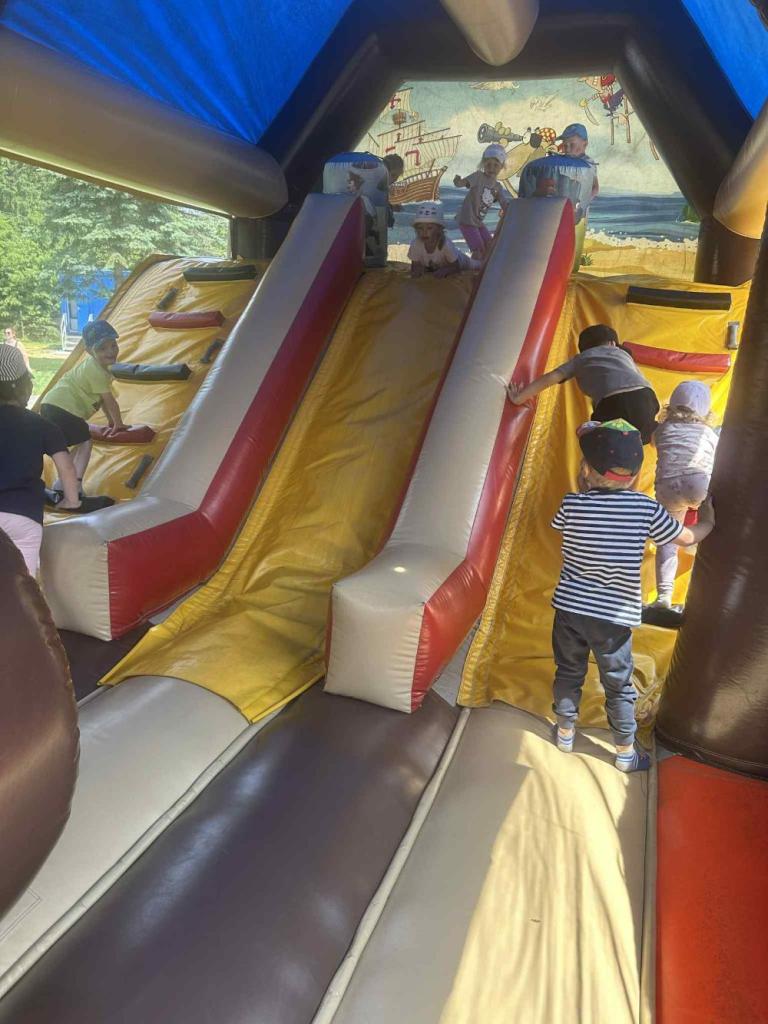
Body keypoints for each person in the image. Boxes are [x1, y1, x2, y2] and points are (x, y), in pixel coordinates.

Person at [550, 419, 714, 771]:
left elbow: (558, 526)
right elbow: (686, 538)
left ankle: (564, 733)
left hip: (569, 610)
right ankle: (624, 753)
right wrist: (708, 523)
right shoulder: (644, 508)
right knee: (617, 683)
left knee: (568, 671)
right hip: (612, 619)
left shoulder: (571, 504)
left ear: (586, 469)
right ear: (637, 474)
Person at [0, 344, 82, 576]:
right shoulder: (42, 425)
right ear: (24, 387)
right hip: (23, 516)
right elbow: (66, 467)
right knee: (23, 583)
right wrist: (71, 500)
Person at [507, 324, 660, 443]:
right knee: (643, 433)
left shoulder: (581, 359)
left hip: (613, 403)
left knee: (605, 441)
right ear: (612, 343)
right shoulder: (623, 354)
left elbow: (552, 377)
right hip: (646, 397)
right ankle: (659, 435)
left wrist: (520, 397)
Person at [650, 380, 718, 609]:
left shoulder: (662, 430)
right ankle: (696, 540)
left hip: (667, 488)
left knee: (667, 541)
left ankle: (663, 597)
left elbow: (654, 444)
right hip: (698, 484)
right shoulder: (707, 433)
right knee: (713, 517)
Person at [40, 319, 124, 495]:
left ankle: (61, 484)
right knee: (86, 442)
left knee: (76, 444)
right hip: (63, 407)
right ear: (89, 352)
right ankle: (74, 485)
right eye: (102, 348)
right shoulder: (96, 370)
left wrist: (110, 421)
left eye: (113, 345)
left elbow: (102, 402)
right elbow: (109, 401)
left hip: (50, 405)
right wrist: (118, 423)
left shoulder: (97, 367)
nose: (110, 351)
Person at [453, 142, 510, 260]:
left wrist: (513, 210)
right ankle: (474, 268)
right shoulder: (478, 176)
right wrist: (458, 181)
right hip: (467, 220)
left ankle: (484, 267)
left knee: (490, 245)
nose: (491, 168)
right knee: (478, 250)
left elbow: (504, 203)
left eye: (495, 165)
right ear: (483, 164)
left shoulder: (498, 187)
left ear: (501, 166)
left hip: (478, 222)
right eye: (488, 164)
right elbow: (462, 183)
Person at [408, 203, 479, 278]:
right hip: (439, 266)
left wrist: (446, 270)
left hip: (462, 261)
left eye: (429, 228)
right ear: (416, 230)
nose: (424, 232)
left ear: (439, 229)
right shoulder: (415, 244)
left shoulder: (446, 244)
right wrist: (417, 271)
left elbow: (456, 266)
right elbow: (415, 266)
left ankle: (479, 255)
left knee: (477, 265)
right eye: (420, 228)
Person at [382, 153, 404, 228]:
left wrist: (391, 207)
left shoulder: (385, 188)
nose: (395, 179)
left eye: (398, 176)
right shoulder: (378, 188)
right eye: (393, 175)